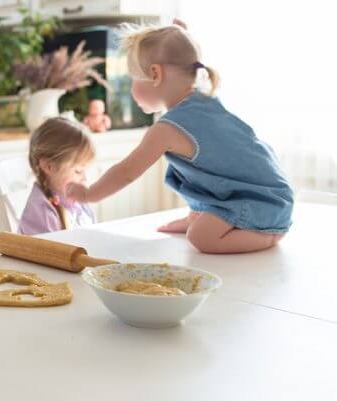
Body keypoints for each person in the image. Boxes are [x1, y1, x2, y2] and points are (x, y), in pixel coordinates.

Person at [67, 19, 293, 254]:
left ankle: (268, 236)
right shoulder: (204, 101)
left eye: (132, 78)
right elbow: (218, 170)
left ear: (155, 74)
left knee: (200, 237)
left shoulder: (168, 128)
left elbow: (126, 172)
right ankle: (198, 216)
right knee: (201, 195)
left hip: (262, 205)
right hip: (270, 196)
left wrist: (88, 193)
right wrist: (181, 34)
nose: (130, 88)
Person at [18, 117, 97, 235]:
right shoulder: (41, 213)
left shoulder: (78, 201)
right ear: (48, 166)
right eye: (78, 171)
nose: (84, 178)